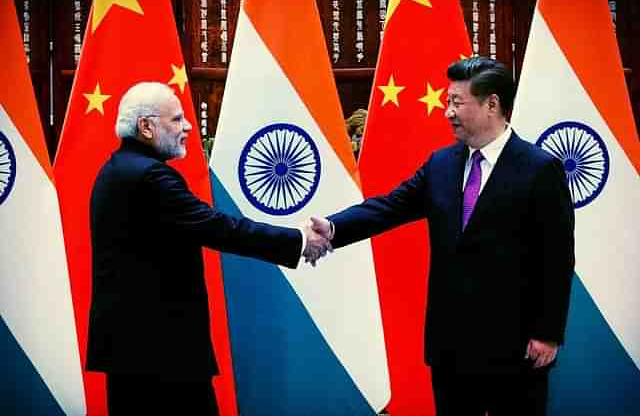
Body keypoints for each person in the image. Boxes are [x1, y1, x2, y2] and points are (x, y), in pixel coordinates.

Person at [309, 57, 575, 416]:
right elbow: (389, 207)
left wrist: (548, 333)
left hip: (515, 346)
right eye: (447, 101)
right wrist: (334, 227)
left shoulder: (539, 168)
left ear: (492, 104)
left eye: (457, 102)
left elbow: (557, 258)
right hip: (450, 345)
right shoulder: (441, 164)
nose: (447, 111)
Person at [88, 82, 329, 415]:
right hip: (161, 353)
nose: (188, 127)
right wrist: (299, 240)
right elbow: (220, 229)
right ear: (146, 126)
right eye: (176, 119)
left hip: (132, 349)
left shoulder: (115, 169)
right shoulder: (151, 178)